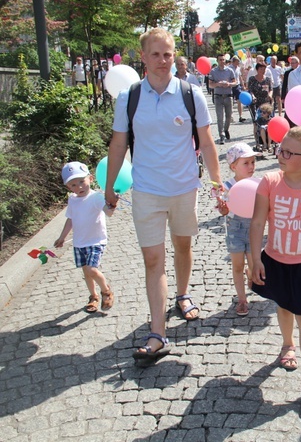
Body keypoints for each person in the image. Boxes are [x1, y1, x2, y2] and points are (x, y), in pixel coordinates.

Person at [105, 27, 224, 366]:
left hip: (185, 188)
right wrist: (110, 187)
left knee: (183, 246)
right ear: (142, 57)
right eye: (155, 54)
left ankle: (183, 295)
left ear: (175, 56)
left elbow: (207, 143)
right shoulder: (130, 97)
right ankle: (158, 332)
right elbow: (118, 144)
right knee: (153, 261)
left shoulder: (191, 94)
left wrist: (217, 186)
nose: (162, 60)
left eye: (167, 54)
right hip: (147, 192)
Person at [250, 127, 301, 404]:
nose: (280, 154)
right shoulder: (270, 181)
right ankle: (288, 344)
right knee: (284, 306)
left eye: (288, 152)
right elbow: (257, 221)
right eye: (280, 148)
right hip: (276, 259)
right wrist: (254, 259)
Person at [55, 162, 115, 314]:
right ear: (68, 187)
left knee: (92, 270)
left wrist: (112, 204)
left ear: (90, 178)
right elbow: (70, 219)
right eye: (73, 184)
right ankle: (93, 297)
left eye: (82, 182)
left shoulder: (96, 197)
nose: (79, 187)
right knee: (86, 272)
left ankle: (106, 291)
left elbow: (108, 212)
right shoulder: (72, 200)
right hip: (79, 243)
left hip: (96, 241)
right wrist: (62, 237)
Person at [218, 144, 260, 317]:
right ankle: (242, 299)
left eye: (252, 162)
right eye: (246, 163)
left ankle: (250, 277)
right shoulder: (227, 186)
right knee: (237, 265)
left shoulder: (257, 184)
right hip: (234, 228)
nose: (251, 166)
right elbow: (225, 210)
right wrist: (223, 208)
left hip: (253, 230)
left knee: (252, 264)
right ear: (233, 166)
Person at [210, 54, 237, 143]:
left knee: (229, 116)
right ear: (217, 61)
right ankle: (221, 135)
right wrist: (218, 84)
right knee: (219, 116)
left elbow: (235, 82)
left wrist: (229, 84)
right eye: (220, 60)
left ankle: (226, 129)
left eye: (223, 60)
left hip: (228, 96)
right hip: (218, 96)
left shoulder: (230, 70)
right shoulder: (213, 71)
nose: (222, 61)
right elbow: (210, 84)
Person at [229, 56, 247, 123]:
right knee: (231, 102)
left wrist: (243, 85)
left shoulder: (238, 68)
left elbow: (240, 77)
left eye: (238, 61)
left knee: (240, 101)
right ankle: (230, 116)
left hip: (237, 86)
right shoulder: (229, 68)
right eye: (237, 61)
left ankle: (240, 116)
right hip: (231, 86)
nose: (238, 62)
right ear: (233, 61)